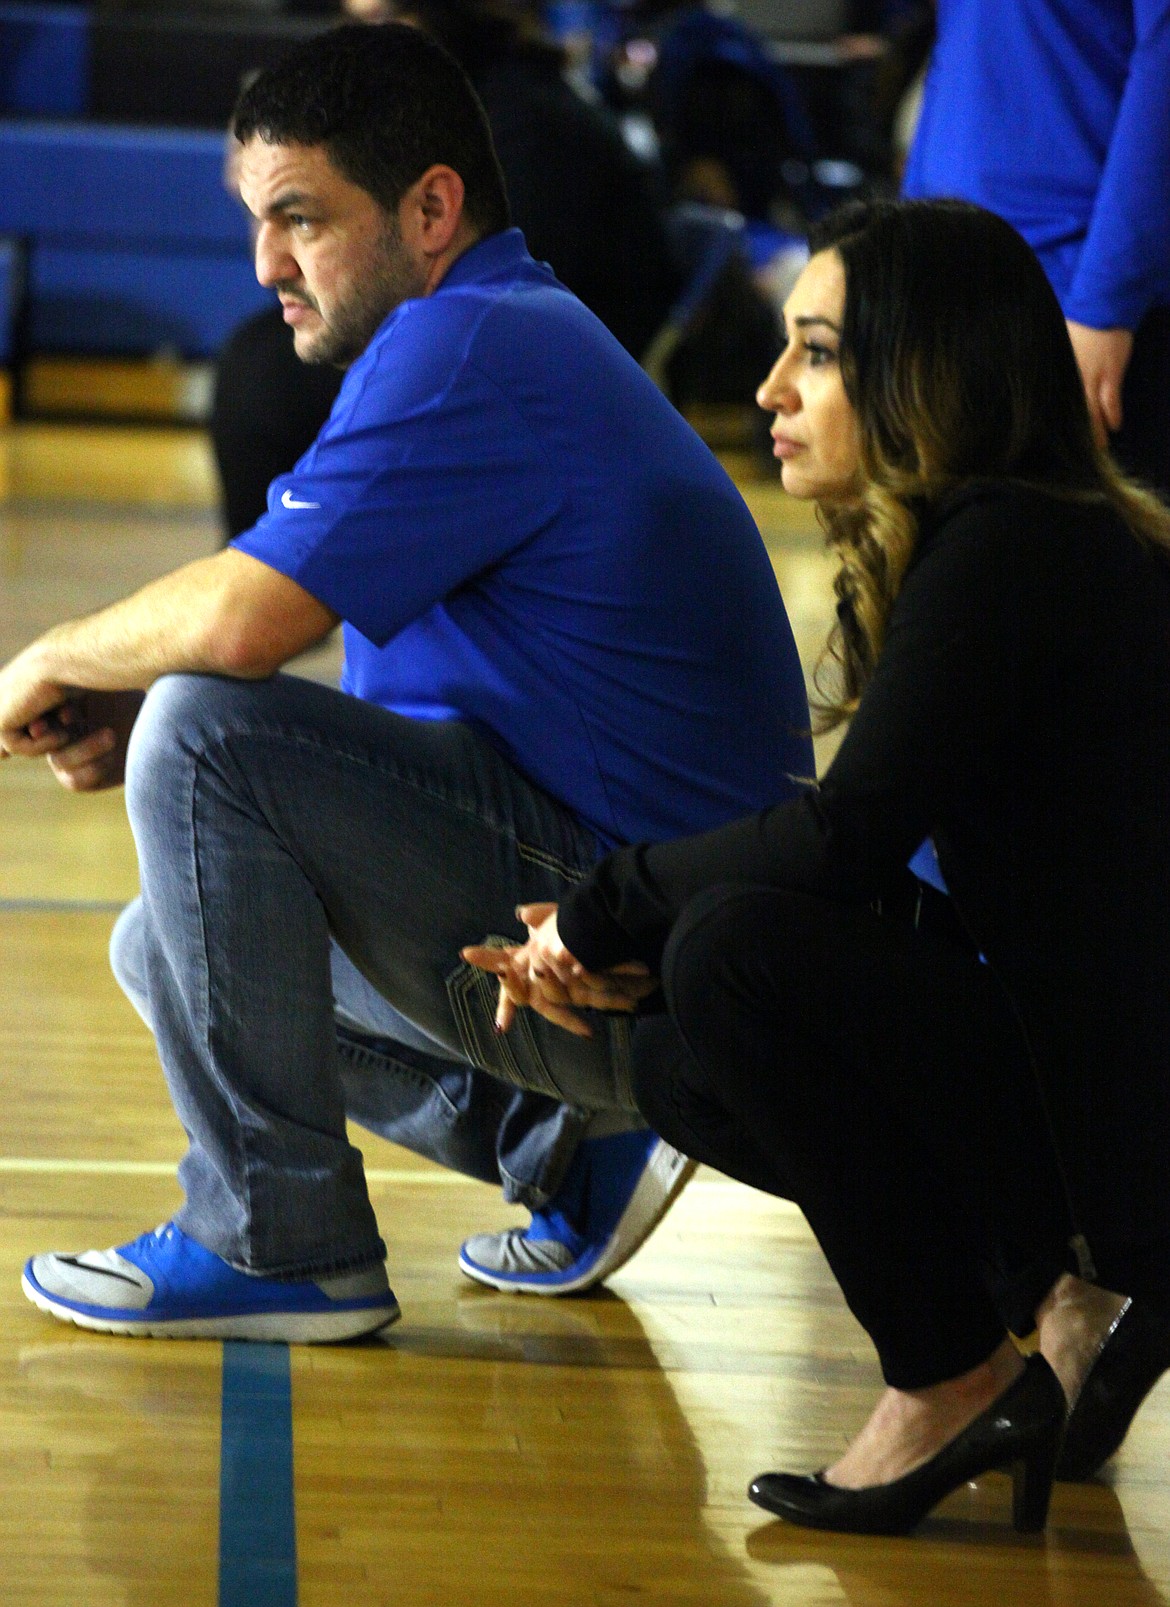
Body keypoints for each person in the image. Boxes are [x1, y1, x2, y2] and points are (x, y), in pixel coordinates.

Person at [1, 22, 813, 1339]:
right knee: (163, 939)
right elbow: (341, 677)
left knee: (207, 735)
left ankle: (279, 1239)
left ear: (431, 206)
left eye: (298, 219)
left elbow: (249, 629)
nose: (263, 261)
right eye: (257, 221)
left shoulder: (472, 345)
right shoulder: (491, 334)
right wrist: (140, 705)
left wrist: (45, 654)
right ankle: (568, 1147)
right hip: (633, 944)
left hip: (638, 958)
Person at [466, 200, 1170, 1532]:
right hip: (1091, 1074)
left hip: (1126, 1100)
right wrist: (640, 953)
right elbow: (976, 893)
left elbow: (837, 843)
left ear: (925, 373)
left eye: (819, 351)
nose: (770, 386)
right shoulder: (1012, 539)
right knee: (684, 1034)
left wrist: (613, 903)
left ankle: (952, 1374)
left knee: (730, 952)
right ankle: (1060, 1300)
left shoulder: (1011, 548)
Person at [211, 0, 681, 538]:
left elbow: (242, 618)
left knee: (261, 375)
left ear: (434, 207)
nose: (266, 270)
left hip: (534, 383)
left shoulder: (526, 123)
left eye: (383, 22)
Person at [902, 0, 1170, 496]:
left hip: (1087, 304)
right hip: (963, 291)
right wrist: (909, 253)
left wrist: (1105, 307)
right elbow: (957, 57)